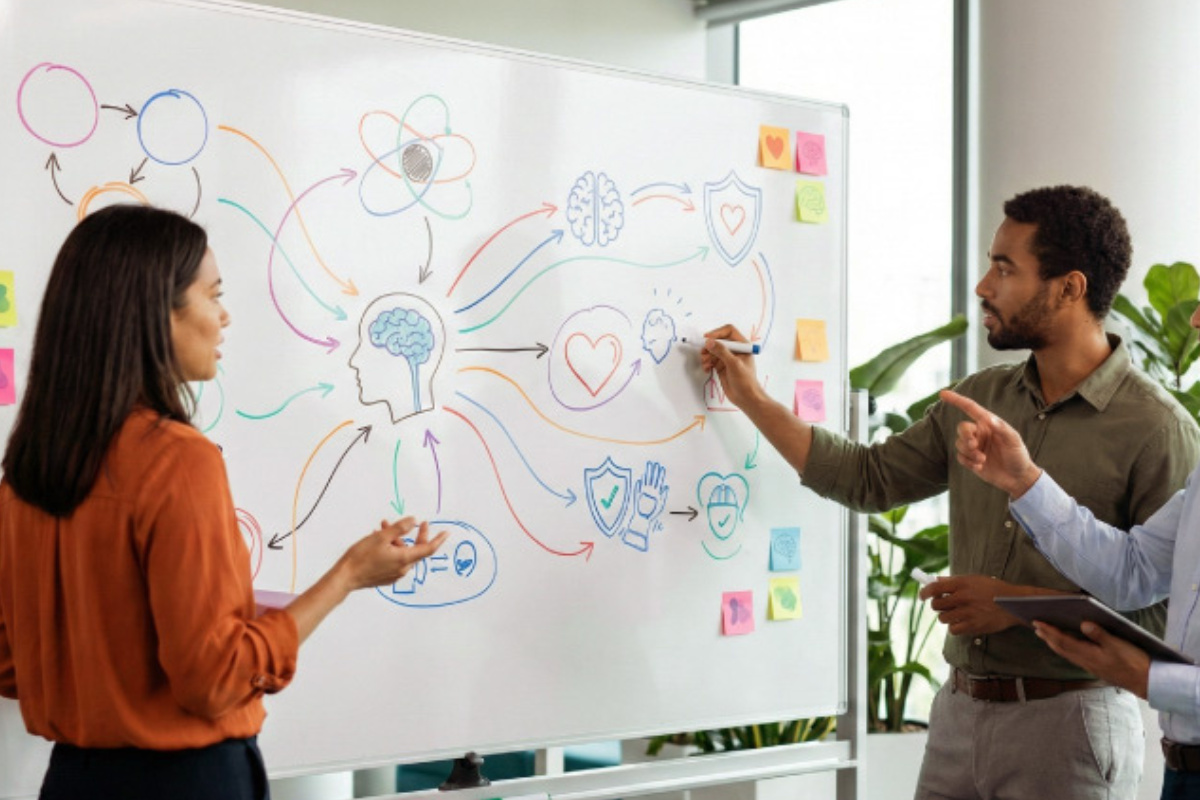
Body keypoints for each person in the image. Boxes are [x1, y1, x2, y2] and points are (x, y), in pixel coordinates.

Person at [700, 184, 1200, 800]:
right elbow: (866, 477)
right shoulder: (980, 398)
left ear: (1069, 287)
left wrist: (1017, 605)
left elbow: (1164, 614)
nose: (984, 286)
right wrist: (749, 395)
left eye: (1004, 268)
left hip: (1070, 726)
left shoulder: (1157, 429)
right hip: (958, 716)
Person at [0, 204, 448, 800]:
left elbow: (11, 664)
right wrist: (348, 576)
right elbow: (212, 680)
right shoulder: (176, 460)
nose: (225, 315)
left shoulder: (26, 469)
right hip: (184, 784)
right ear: (156, 314)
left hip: (72, 782)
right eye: (213, 295)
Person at [940, 364, 1200, 799]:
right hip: (1183, 774)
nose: (1195, 320)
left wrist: (1149, 678)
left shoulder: (1160, 422)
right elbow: (1131, 570)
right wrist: (1024, 482)